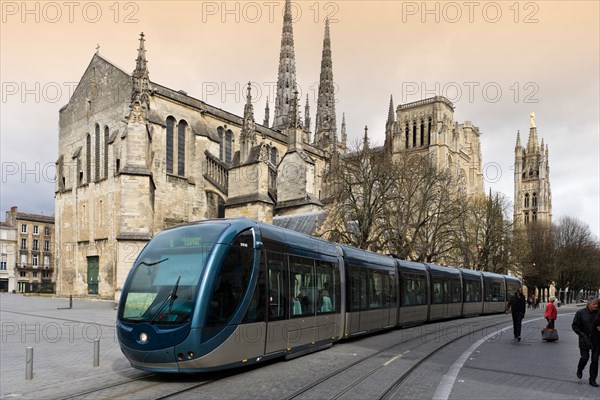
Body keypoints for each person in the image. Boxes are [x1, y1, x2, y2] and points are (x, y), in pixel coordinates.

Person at [572, 296, 599, 387]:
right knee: (585, 358)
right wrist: (582, 335)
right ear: (589, 304)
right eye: (594, 304)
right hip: (584, 339)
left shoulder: (599, 312)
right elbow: (575, 326)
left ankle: (592, 380)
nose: (596, 306)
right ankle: (580, 369)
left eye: (597, 304)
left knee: (595, 361)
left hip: (596, 340)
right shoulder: (580, 313)